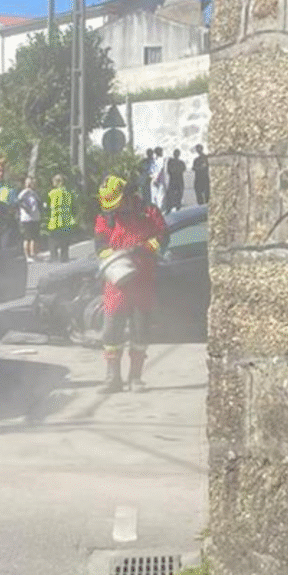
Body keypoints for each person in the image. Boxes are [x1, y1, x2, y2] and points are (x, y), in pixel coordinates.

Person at [94, 175, 166, 393]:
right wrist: (115, 257)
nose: (115, 209)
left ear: (127, 196)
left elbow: (163, 235)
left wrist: (146, 248)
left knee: (140, 330)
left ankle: (135, 377)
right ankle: (112, 378)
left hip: (143, 279)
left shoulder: (149, 212)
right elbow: (100, 245)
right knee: (111, 331)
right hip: (117, 282)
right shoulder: (106, 218)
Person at [46, 173, 76, 263]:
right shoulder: (68, 193)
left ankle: (54, 256)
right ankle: (64, 257)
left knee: (52, 239)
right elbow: (73, 206)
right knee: (65, 240)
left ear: (57, 182)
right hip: (66, 219)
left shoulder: (52, 193)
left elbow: (48, 205)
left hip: (55, 219)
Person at [17, 175, 42, 261]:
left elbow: (39, 201)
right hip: (26, 218)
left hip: (35, 217)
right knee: (28, 238)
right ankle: (27, 256)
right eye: (27, 183)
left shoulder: (33, 193)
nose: (29, 184)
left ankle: (34, 254)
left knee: (34, 237)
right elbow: (19, 199)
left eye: (30, 183)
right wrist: (26, 190)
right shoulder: (23, 193)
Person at [164, 148, 186, 214]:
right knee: (170, 195)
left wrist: (176, 170)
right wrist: (176, 170)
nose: (176, 155)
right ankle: (169, 209)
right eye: (175, 153)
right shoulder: (170, 161)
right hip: (173, 180)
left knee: (179, 195)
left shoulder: (181, 162)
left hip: (179, 180)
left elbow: (183, 169)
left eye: (177, 153)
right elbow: (169, 170)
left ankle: (178, 208)